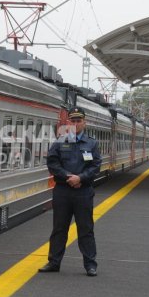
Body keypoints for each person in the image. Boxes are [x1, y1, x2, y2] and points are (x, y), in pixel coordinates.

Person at [39, 107, 102, 277]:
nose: (75, 124)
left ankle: (90, 265)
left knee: (85, 229)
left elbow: (96, 166)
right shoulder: (60, 141)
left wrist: (80, 178)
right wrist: (68, 177)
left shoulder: (92, 143)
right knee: (59, 228)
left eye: (78, 121)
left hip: (83, 192)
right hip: (63, 191)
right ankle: (54, 262)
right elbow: (52, 163)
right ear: (68, 123)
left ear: (84, 123)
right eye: (72, 121)